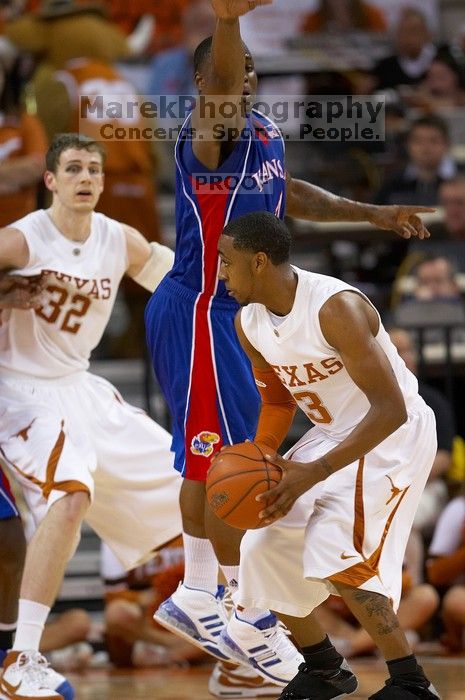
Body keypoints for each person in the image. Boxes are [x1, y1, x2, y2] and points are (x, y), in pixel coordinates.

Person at [145, 0, 435, 689]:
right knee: (212, 459)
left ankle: (338, 662)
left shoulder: (266, 135)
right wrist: (224, 21)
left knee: (254, 474)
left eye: (250, 72)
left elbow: (290, 195)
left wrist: (368, 213)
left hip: (256, 324)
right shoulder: (205, 136)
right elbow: (218, 92)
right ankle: (201, 594)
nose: (241, 82)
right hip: (200, 304)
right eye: (229, 75)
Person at [217, 210, 439, 700]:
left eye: (226, 262)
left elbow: (390, 410)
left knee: (336, 545)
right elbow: (277, 400)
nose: (220, 275)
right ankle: (324, 668)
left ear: (258, 262)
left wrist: (311, 473)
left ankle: (410, 682)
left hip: (389, 433)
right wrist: (263, 458)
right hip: (331, 432)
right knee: (262, 544)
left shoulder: (333, 307)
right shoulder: (247, 321)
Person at [0, 132, 183, 700]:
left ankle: (216, 607)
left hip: (80, 387)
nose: (86, 178)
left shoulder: (117, 238)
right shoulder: (24, 238)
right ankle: (21, 657)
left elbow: (176, 281)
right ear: (50, 181)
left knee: (192, 483)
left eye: (94, 170)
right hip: (20, 390)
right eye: (73, 168)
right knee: (70, 493)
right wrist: (5, 290)